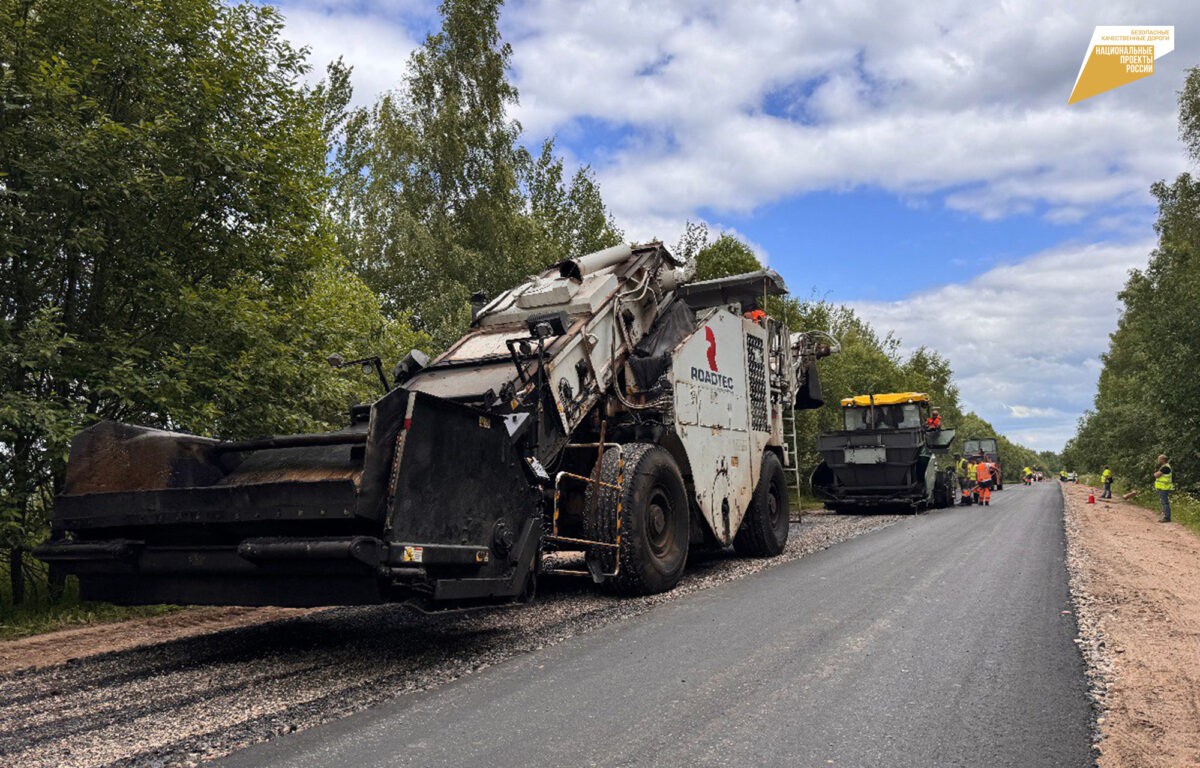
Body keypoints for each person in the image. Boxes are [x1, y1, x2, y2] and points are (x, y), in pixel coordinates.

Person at [1154, 454, 1173, 523]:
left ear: (1163, 460)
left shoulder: (1165, 467)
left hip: (1164, 487)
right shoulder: (1163, 467)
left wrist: (1156, 473)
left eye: (1159, 459)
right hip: (1162, 487)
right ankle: (1165, 515)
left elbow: (1156, 475)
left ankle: (1167, 517)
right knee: (1163, 502)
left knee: (1165, 503)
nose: (1158, 460)